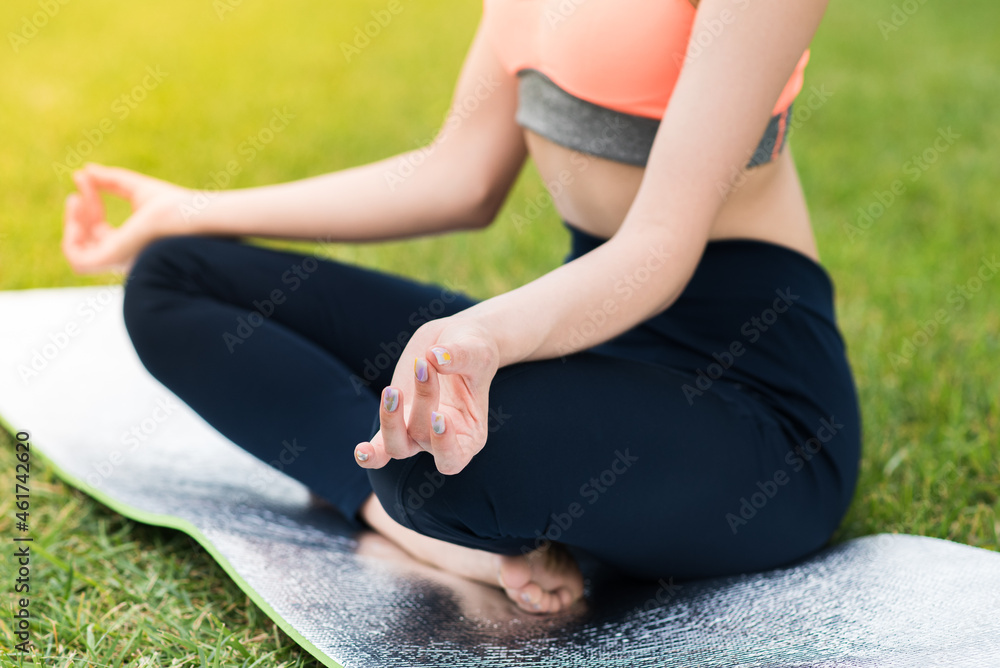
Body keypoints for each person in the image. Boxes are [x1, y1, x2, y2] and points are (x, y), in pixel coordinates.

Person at [61, 0, 859, 616]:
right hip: (588, 341)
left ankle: (429, 505)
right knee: (176, 275)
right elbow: (460, 175)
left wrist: (483, 333)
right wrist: (187, 209)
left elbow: (659, 246)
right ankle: (393, 514)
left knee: (436, 451)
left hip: (755, 412)